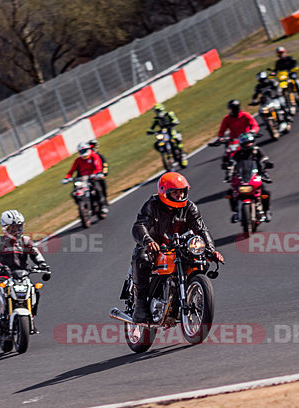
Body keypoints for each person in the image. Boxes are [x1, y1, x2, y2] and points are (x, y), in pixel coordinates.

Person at [129, 173, 224, 324]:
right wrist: (147, 241)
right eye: (175, 192)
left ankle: (184, 296)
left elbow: (201, 230)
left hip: (181, 246)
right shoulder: (153, 204)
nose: (180, 195)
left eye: (182, 191)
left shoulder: (189, 207)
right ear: (164, 192)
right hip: (155, 247)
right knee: (142, 258)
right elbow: (139, 225)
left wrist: (211, 250)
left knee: (202, 261)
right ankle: (140, 306)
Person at [0, 209, 50, 334]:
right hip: (5, 275)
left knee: (35, 290)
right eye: (13, 228)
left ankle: (31, 318)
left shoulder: (26, 241)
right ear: (5, 228)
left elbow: (35, 254)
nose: (17, 230)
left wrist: (42, 264)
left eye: (19, 227)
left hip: (22, 275)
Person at [228, 132, 274, 223]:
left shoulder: (257, 151)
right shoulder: (237, 153)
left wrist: (266, 165)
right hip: (242, 178)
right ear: (242, 144)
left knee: (265, 193)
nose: (248, 144)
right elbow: (232, 163)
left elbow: (264, 159)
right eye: (246, 143)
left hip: (255, 176)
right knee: (230, 193)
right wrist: (229, 172)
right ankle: (235, 212)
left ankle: (267, 211)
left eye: (250, 142)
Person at [63, 141, 108, 216]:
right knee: (74, 193)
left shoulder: (94, 156)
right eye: (81, 151)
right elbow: (72, 170)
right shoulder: (78, 160)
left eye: (84, 150)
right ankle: (83, 207)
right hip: (82, 180)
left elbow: (98, 165)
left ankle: (103, 205)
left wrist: (98, 173)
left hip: (93, 178)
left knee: (97, 189)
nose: (83, 153)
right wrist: (67, 178)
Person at [87, 137, 109, 204]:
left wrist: (104, 174)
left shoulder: (99, 155)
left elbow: (105, 165)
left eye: (94, 145)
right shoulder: (86, 157)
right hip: (89, 177)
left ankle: (104, 200)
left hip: (98, 175)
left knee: (103, 186)